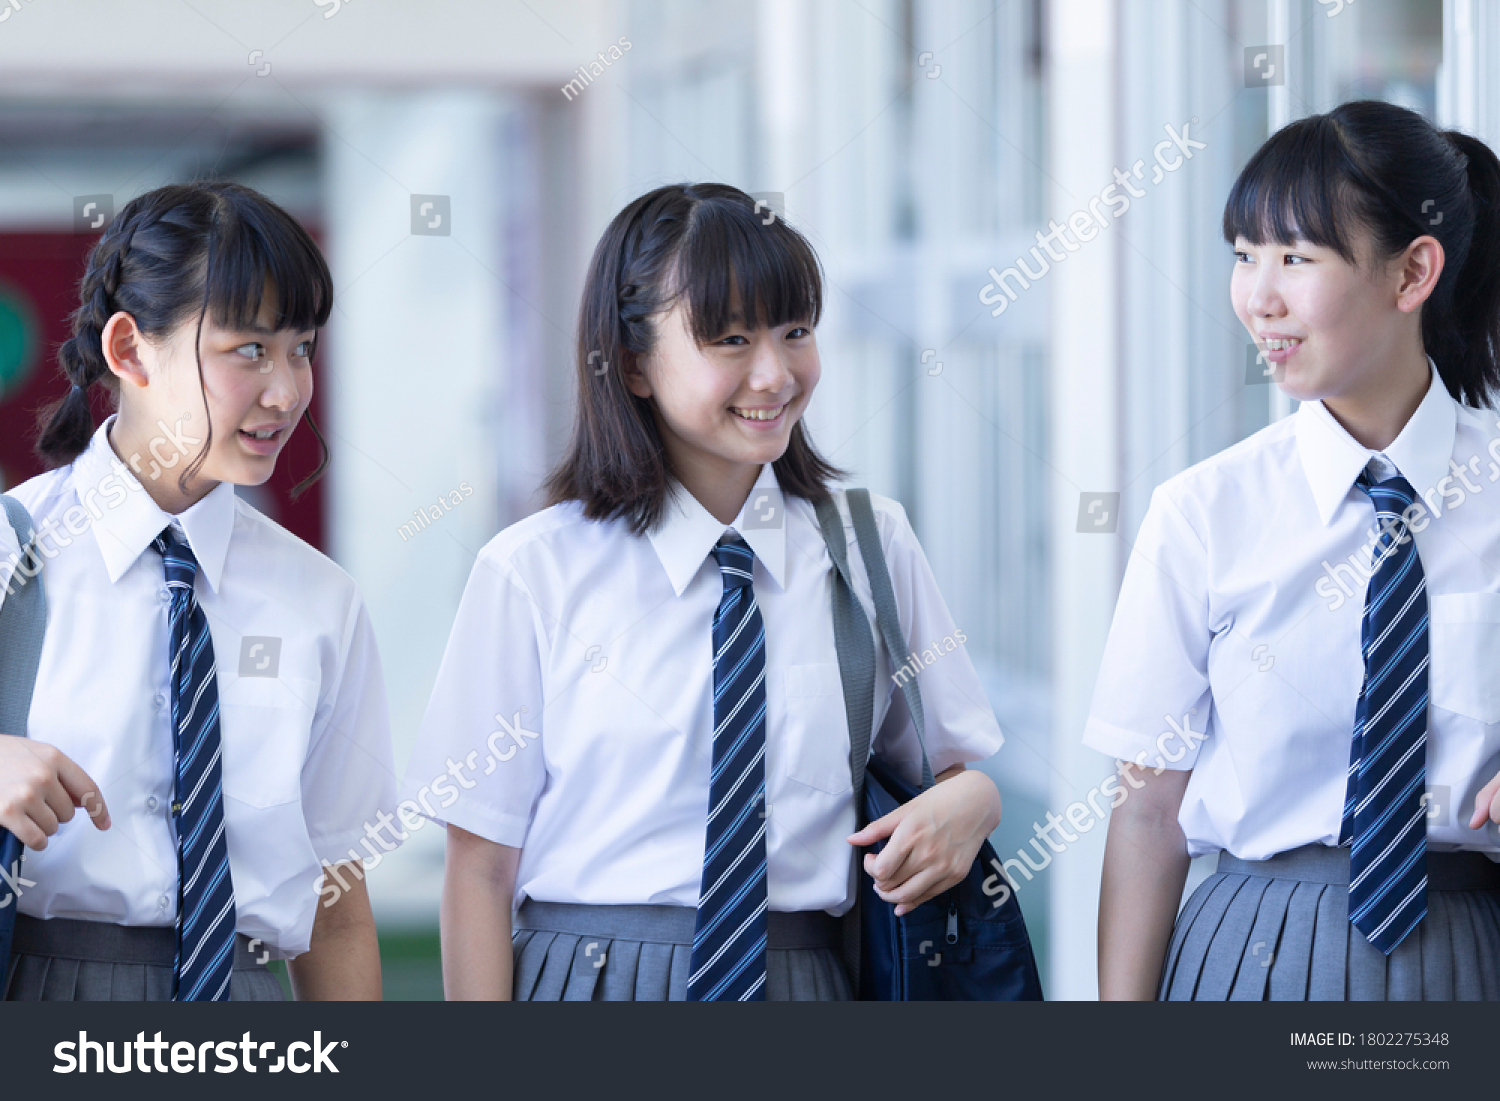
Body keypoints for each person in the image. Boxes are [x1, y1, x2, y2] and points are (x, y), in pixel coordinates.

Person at [408, 182, 1005, 1001]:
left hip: (804, 980)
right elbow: (477, 871)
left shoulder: (872, 546)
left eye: (795, 331)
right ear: (633, 364)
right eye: (729, 339)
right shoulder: (532, 571)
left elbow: (946, 772)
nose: (775, 372)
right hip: (591, 985)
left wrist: (974, 800)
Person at [1090, 100, 1500, 1001]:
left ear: (1413, 272)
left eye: (1295, 258)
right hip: (1251, 951)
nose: (1258, 296)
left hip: (1473, 950)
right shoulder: (1203, 512)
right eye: (1244, 256)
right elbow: (1148, 811)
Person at [0, 181, 397, 1000]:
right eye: (247, 349)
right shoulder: (12, 551)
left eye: (300, 347)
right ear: (130, 349)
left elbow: (337, 913)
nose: (285, 391)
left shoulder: (318, 599)